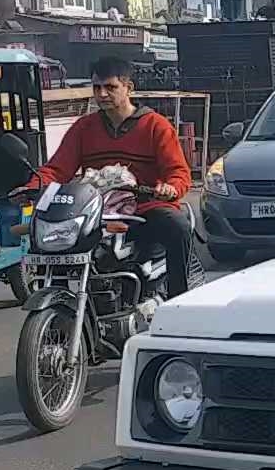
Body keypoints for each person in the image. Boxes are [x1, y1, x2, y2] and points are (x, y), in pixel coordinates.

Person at [25, 57, 195, 296]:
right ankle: (59, 299)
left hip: (145, 208)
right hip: (95, 211)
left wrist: (170, 188)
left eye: (110, 87)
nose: (102, 94)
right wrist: (33, 186)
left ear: (129, 88)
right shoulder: (84, 127)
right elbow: (58, 168)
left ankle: (181, 303)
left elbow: (179, 173)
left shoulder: (156, 126)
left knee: (178, 227)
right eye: (97, 88)